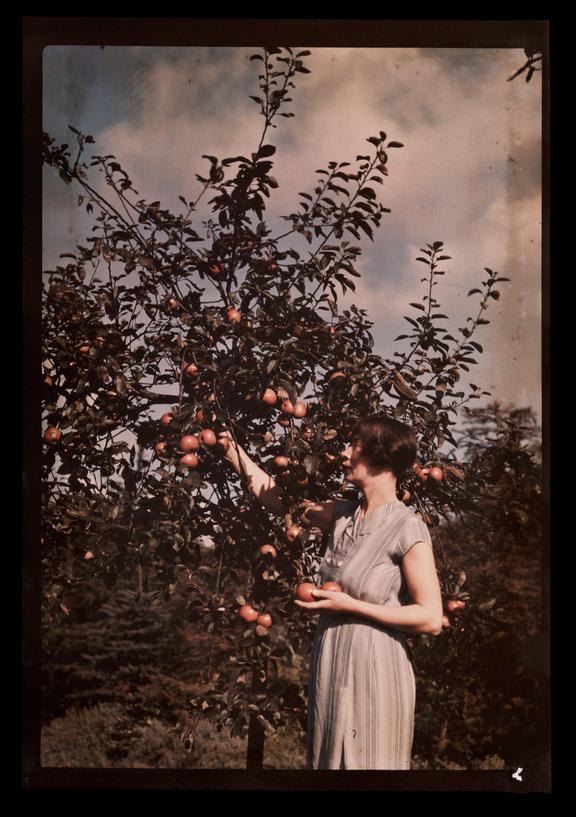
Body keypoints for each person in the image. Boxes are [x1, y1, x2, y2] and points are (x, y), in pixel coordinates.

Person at [218, 414, 443, 770]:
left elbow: (430, 618)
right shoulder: (342, 516)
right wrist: (233, 452)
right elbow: (278, 500)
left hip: (376, 666)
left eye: (352, 445)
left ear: (378, 456)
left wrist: (351, 605)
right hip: (331, 662)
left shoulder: (406, 525)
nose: (343, 452)